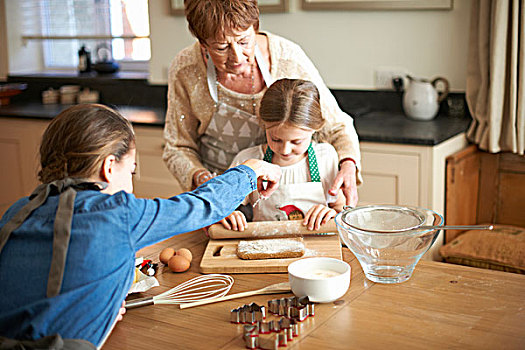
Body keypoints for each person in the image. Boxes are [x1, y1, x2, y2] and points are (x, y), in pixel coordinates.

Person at [0, 104, 281, 349]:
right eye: (131, 170)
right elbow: (201, 205)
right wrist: (252, 169)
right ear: (109, 167)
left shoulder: (17, 211)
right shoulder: (115, 215)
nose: (131, 185)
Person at [163, 0, 362, 208]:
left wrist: (348, 164)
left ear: (255, 28)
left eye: (243, 41)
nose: (236, 57)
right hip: (220, 195)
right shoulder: (186, 68)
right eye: (221, 48)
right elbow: (177, 146)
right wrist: (206, 183)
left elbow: (337, 126)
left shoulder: (288, 57)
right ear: (202, 43)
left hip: (284, 195)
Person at [220, 78, 344, 232]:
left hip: (317, 247)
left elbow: (341, 208)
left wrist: (333, 214)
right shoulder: (248, 160)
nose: (285, 150)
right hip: (266, 248)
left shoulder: (325, 157)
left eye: (296, 141)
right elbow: (221, 205)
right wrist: (228, 214)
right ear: (264, 125)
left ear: (314, 129)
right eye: (276, 139)